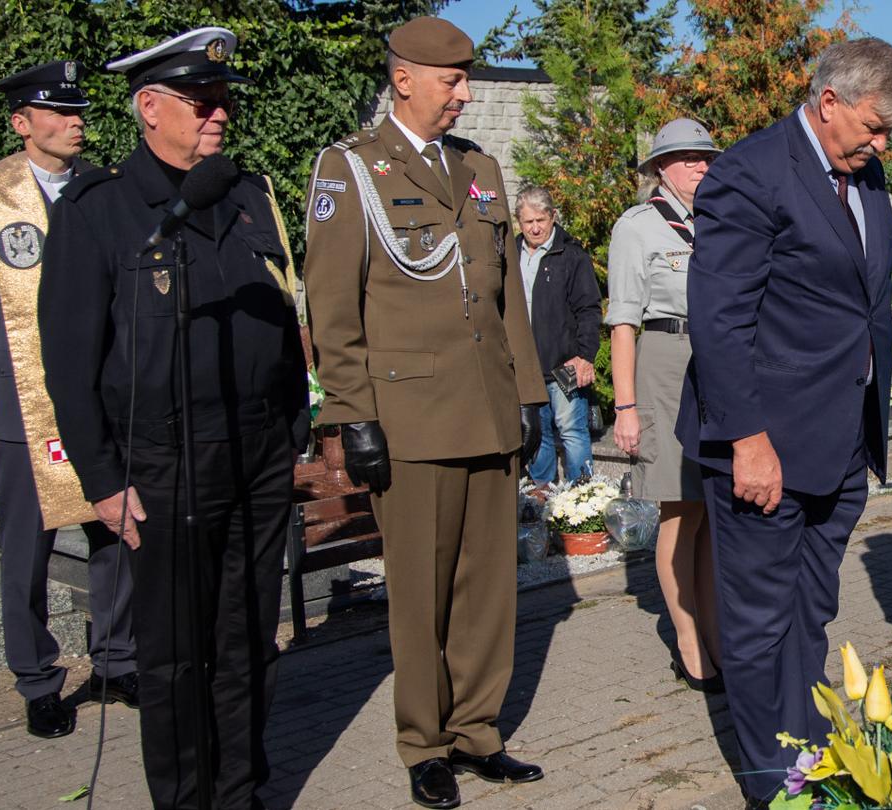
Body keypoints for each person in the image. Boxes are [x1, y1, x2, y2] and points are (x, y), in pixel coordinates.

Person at [36, 28, 307, 808]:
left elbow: (280, 316)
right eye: (203, 100)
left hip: (255, 451)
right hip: (165, 460)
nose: (220, 113)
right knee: (178, 651)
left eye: (225, 100)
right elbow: (70, 359)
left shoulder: (246, 192)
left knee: (250, 637)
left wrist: (290, 426)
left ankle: (241, 789)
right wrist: (103, 477)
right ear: (150, 108)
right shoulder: (103, 209)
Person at [303, 17, 546, 809]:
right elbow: (334, 308)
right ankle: (425, 743)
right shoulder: (352, 170)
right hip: (409, 417)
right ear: (404, 78)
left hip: (486, 408)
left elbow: (506, 294)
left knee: (488, 586)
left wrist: (529, 396)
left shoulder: (480, 168)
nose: (465, 93)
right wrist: (352, 415)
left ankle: (479, 732)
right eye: (452, 80)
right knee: (419, 591)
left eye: (467, 78)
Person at [676, 38, 892, 805]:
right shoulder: (750, 176)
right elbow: (719, 321)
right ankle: (774, 789)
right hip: (765, 448)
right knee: (756, 627)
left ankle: (809, 759)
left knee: (809, 614)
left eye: (888, 134)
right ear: (829, 103)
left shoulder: (865, 172)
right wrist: (747, 441)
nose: (882, 147)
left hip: (841, 443)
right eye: (874, 128)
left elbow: (860, 300)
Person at [0, 61, 138, 741]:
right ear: (22, 122)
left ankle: (118, 659)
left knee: (115, 531)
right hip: (24, 401)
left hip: (106, 398)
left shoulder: (105, 189)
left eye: (80, 109)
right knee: (28, 549)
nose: (76, 119)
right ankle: (38, 681)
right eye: (58, 111)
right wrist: (13, 373)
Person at [606, 118, 724, 693]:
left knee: (708, 513)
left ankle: (714, 629)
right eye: (687, 158)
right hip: (663, 361)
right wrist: (625, 406)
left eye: (705, 157)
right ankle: (686, 638)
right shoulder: (638, 227)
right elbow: (623, 323)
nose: (701, 166)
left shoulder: (719, 220)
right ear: (659, 167)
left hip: (714, 362)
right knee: (680, 507)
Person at [516, 185, 600, 486]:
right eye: (528, 222)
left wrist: (585, 356)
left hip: (565, 362)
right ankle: (542, 501)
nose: (535, 228)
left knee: (572, 431)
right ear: (519, 222)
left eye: (541, 219)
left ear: (552, 217)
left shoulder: (571, 255)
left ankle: (583, 500)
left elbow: (589, 309)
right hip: (526, 367)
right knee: (537, 434)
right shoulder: (512, 255)